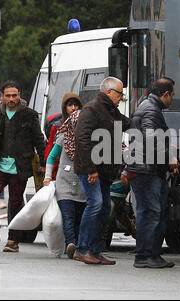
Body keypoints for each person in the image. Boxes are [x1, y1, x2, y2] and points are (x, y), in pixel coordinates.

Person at [0, 80, 46, 253]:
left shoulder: (30, 115)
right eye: (8, 96)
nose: (11, 99)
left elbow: (39, 141)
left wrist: (43, 164)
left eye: (14, 95)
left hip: (20, 167)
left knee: (15, 203)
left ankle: (13, 240)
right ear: (3, 97)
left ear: (19, 95)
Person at [73, 76, 130, 265]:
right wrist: (91, 169)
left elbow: (127, 123)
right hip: (91, 170)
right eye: (119, 93)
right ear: (109, 92)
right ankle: (82, 249)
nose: (121, 97)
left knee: (105, 209)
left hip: (105, 171)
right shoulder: (92, 109)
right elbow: (82, 140)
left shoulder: (111, 111)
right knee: (95, 204)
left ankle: (95, 251)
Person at [126, 77, 179, 268]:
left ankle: (150, 255)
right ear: (164, 94)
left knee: (149, 212)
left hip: (143, 168)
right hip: (146, 170)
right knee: (151, 213)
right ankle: (145, 256)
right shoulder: (151, 110)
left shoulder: (147, 106)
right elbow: (151, 139)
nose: (172, 99)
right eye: (172, 95)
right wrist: (169, 159)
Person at [43, 93, 86, 259]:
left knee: (80, 218)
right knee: (68, 216)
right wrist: (47, 177)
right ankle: (71, 244)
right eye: (70, 105)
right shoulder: (63, 136)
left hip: (82, 184)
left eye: (77, 106)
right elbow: (52, 157)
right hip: (64, 183)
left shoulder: (88, 137)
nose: (74, 109)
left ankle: (79, 245)